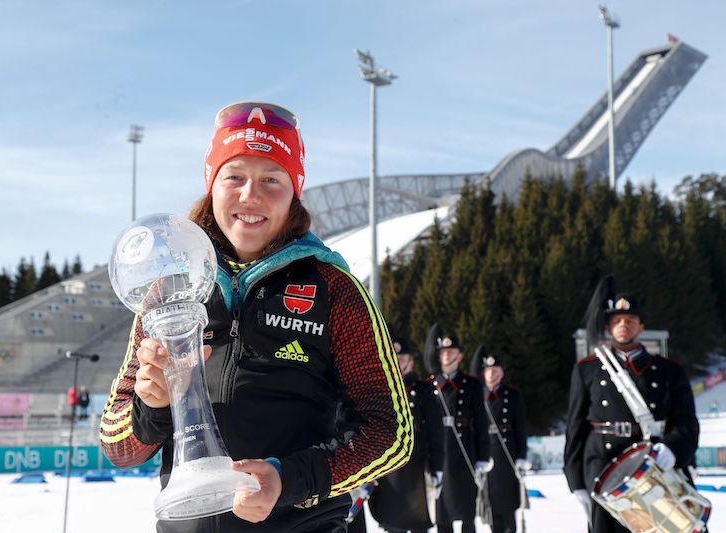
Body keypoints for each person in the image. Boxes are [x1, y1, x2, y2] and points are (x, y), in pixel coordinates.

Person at [99, 101, 413, 533]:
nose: (251, 195)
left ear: (294, 190)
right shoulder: (168, 293)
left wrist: (289, 480)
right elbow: (118, 445)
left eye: (271, 178)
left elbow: (391, 432)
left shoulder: (334, 288)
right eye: (234, 177)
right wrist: (152, 407)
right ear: (212, 186)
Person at [564, 276, 700, 533]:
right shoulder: (587, 369)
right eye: (616, 321)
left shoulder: (669, 370)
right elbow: (575, 428)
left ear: (641, 327)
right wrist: (575, 479)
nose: (623, 325)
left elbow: (686, 421)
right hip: (603, 466)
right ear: (608, 328)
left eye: (630, 321)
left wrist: (671, 449)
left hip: (653, 464)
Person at [368, 337, 444, 533]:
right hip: (389, 470)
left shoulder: (424, 390)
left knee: (419, 522)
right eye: (395, 358)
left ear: (411, 361)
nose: (398, 363)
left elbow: (436, 432)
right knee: (392, 523)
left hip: (417, 467)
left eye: (402, 359)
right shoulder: (381, 388)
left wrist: (437, 467)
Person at [425, 330, 491, 533]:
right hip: (440, 452)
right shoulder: (430, 385)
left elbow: (481, 422)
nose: (446, 354)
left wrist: (483, 457)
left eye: (451, 350)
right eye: (443, 351)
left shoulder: (471, 385)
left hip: (465, 453)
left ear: (459, 356)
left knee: (467, 514)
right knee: (442, 515)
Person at [473, 348, 528, 533]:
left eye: (496, 370)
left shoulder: (512, 395)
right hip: (487, 451)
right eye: (488, 370)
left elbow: (520, 427)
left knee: (508, 503)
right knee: (491, 502)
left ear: (502, 373)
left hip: (507, 451)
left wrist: (521, 456)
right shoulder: (478, 395)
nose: (492, 374)